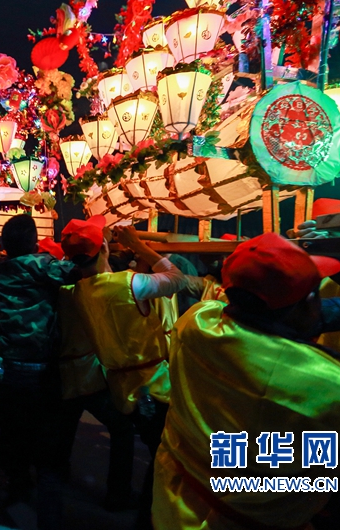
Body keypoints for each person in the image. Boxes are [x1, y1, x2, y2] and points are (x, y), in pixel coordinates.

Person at [152, 233, 340, 529]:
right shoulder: (337, 388)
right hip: (251, 520)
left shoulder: (197, 320)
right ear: (308, 303)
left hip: (177, 499)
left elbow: (282, 317)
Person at [61, 218, 197, 528]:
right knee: (164, 455)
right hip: (154, 385)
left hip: (122, 387)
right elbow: (177, 278)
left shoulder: (76, 291)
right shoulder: (131, 283)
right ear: (106, 247)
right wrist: (138, 245)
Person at [0, 214, 81, 530]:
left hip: (3, 370)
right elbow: (80, 271)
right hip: (41, 371)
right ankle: (46, 519)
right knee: (48, 455)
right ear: (35, 242)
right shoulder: (44, 266)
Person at [57, 232, 136, 511]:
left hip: (62, 375)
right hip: (90, 374)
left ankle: (55, 483)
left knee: (63, 431)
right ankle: (118, 495)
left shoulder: (61, 288)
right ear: (102, 248)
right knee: (122, 428)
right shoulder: (106, 288)